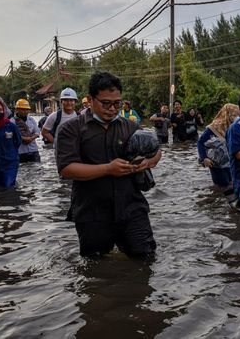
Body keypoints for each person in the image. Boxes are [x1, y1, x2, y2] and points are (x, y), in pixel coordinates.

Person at [56, 71, 161, 258]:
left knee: (145, 259)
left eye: (117, 103)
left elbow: (156, 151)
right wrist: (108, 169)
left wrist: (147, 163)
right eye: (106, 103)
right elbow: (66, 169)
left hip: (132, 207)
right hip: (92, 211)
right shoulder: (72, 129)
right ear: (90, 99)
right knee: (96, 268)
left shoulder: (129, 126)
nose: (112, 109)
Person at [197, 103, 240, 187]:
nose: (236, 117)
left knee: (231, 184)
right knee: (222, 184)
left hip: (229, 162)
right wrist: (204, 158)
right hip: (215, 163)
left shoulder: (234, 127)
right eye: (234, 115)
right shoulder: (214, 127)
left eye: (237, 115)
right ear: (227, 114)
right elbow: (200, 142)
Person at [14, 99, 41, 163]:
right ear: (17, 109)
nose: (25, 111)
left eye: (26, 109)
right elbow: (12, 135)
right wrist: (23, 138)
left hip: (33, 150)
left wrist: (31, 138)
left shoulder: (31, 120)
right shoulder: (12, 121)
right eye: (22, 109)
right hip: (20, 152)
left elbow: (37, 132)